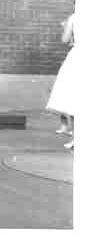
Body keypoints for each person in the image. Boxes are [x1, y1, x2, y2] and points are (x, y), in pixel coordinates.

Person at [46, 11, 76, 150]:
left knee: (74, 94)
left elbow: (64, 40)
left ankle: (77, 138)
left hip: (79, 55)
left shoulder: (74, 17)